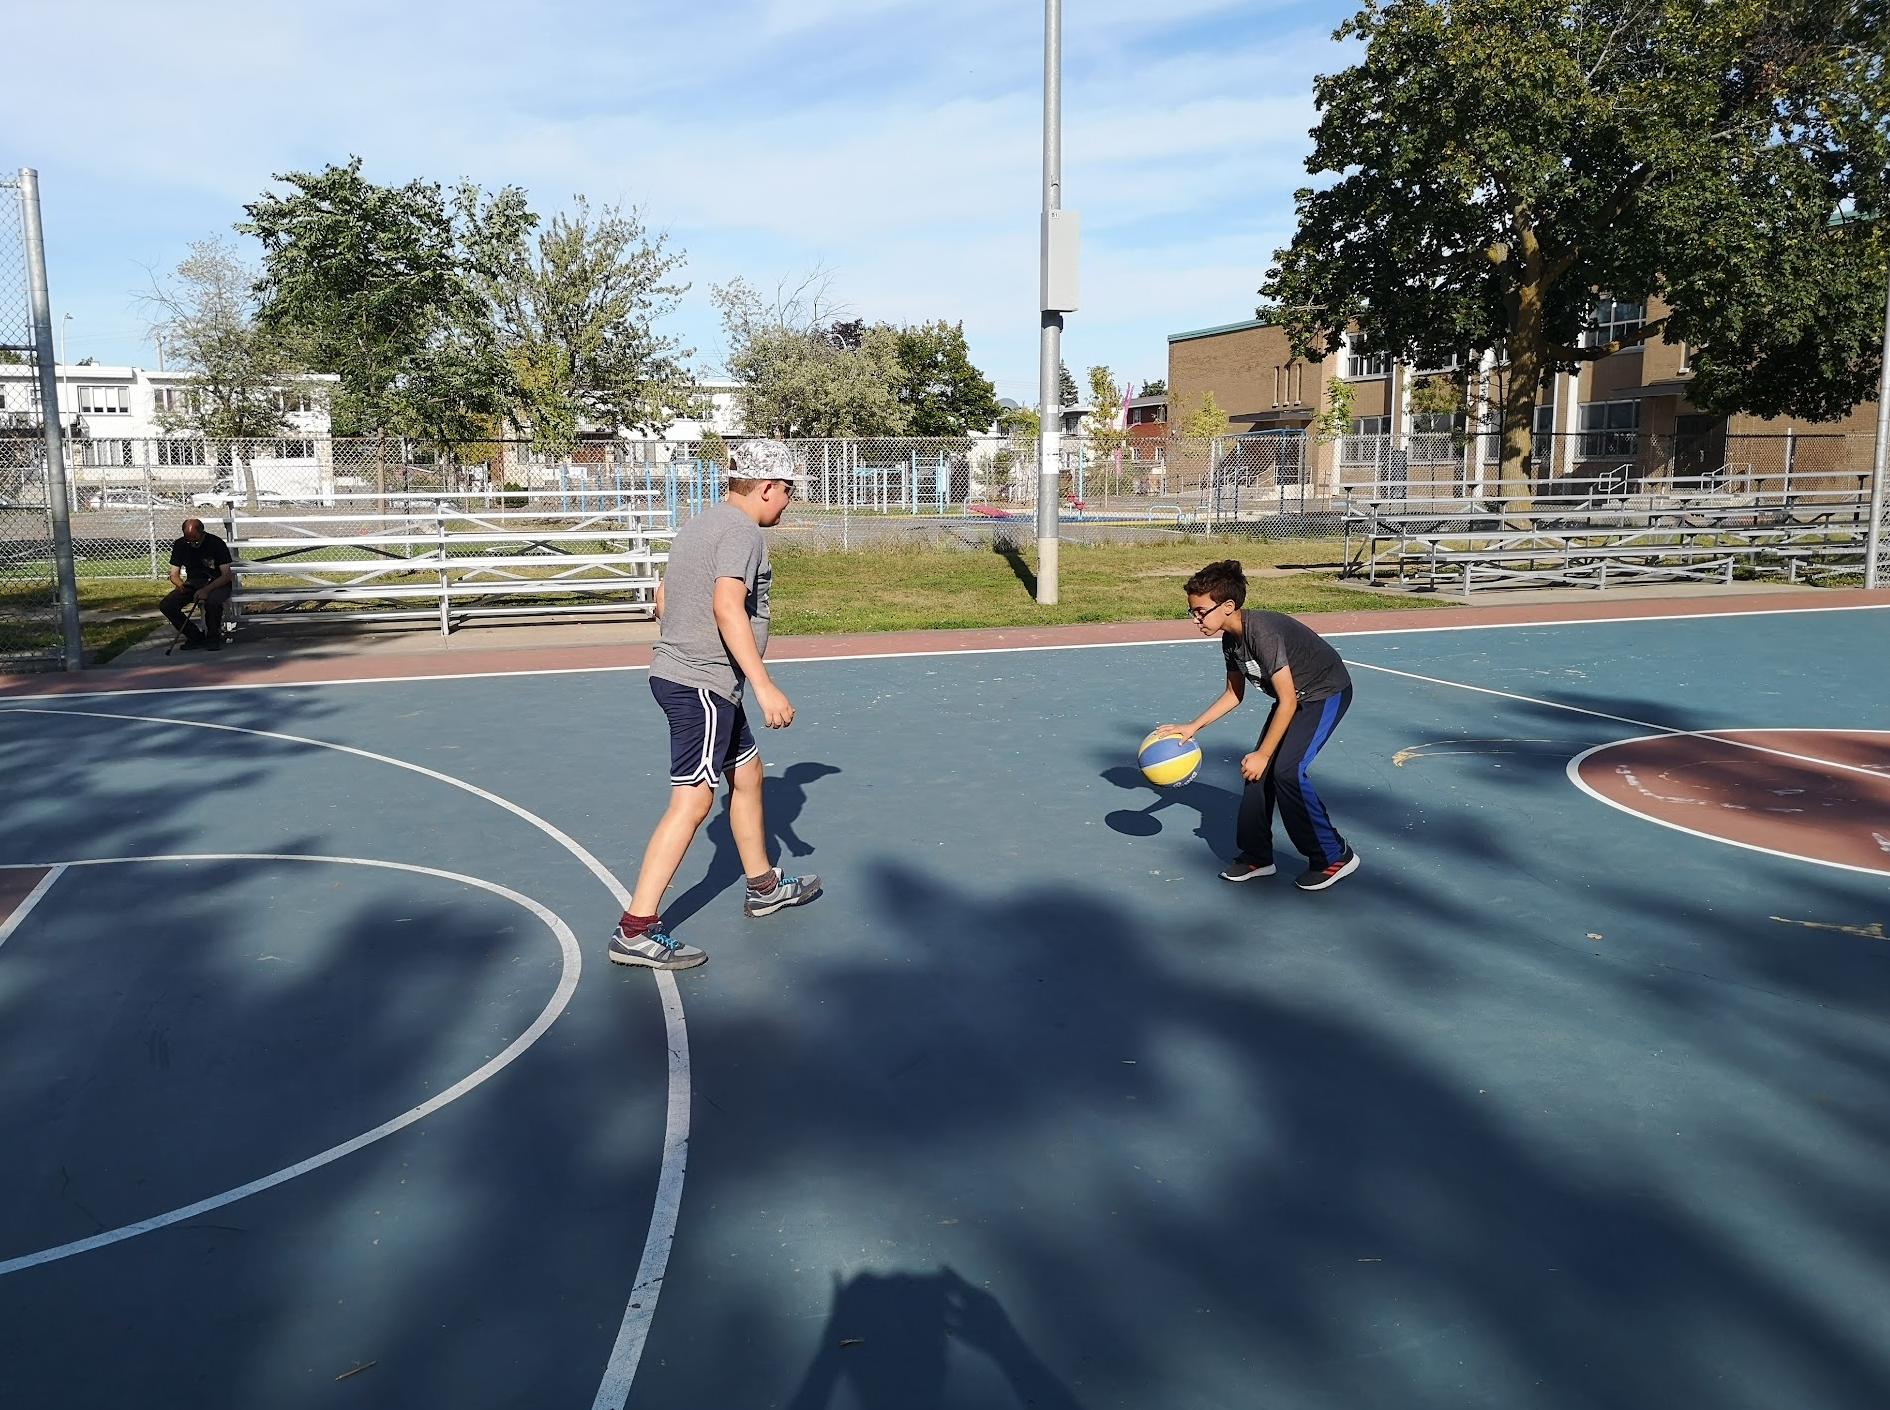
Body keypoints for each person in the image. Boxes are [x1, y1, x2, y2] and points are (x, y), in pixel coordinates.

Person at [609, 442, 823, 970]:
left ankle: (764, 886)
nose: (789, 502)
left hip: (701, 683)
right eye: (788, 491)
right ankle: (635, 929)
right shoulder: (742, 533)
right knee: (694, 801)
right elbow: (728, 606)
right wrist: (764, 684)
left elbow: (663, 598)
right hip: (701, 687)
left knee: (747, 774)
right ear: (767, 486)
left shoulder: (701, 524)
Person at [1159, 559, 1359, 891]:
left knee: (1285, 771)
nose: (1195, 619)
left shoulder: (1261, 631)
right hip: (1294, 699)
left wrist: (1264, 754)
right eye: (1192, 612)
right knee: (1257, 773)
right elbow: (1233, 694)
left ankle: (1333, 856)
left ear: (1227, 606)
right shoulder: (1230, 640)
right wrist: (1193, 727)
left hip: (1325, 692)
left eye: (1200, 611)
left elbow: (1288, 700)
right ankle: (1257, 857)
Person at [159, 518, 234, 651]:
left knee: (212, 602)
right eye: (188, 540)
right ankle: (194, 636)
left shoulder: (216, 543)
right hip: (193, 583)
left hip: (217, 582)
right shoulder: (180, 545)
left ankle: (212, 637)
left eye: (195, 539)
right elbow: (174, 574)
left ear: (202, 532)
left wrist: (206, 590)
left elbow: (226, 576)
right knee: (167, 605)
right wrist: (180, 585)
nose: (192, 543)